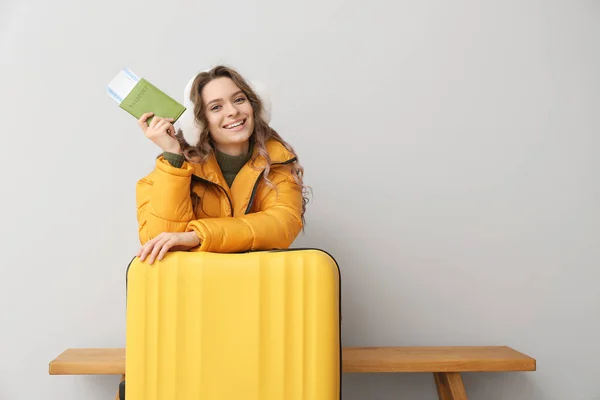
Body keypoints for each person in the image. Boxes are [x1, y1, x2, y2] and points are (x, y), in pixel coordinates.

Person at [134, 65, 309, 265]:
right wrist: (174, 158)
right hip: (194, 288)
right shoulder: (165, 175)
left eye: (239, 100)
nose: (233, 111)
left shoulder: (278, 165)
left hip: (257, 286)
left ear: (254, 106)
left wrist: (198, 236)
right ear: (200, 121)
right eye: (216, 107)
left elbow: (280, 225)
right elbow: (160, 243)